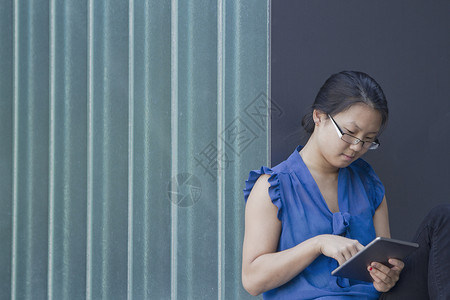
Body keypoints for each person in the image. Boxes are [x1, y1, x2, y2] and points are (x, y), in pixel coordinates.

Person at [241, 71, 450, 299]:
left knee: (443, 218)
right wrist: (318, 244)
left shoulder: (368, 183)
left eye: (368, 139)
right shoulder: (273, 187)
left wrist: (387, 277)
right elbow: (252, 281)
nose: (356, 147)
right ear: (319, 116)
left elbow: (385, 263)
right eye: (350, 133)